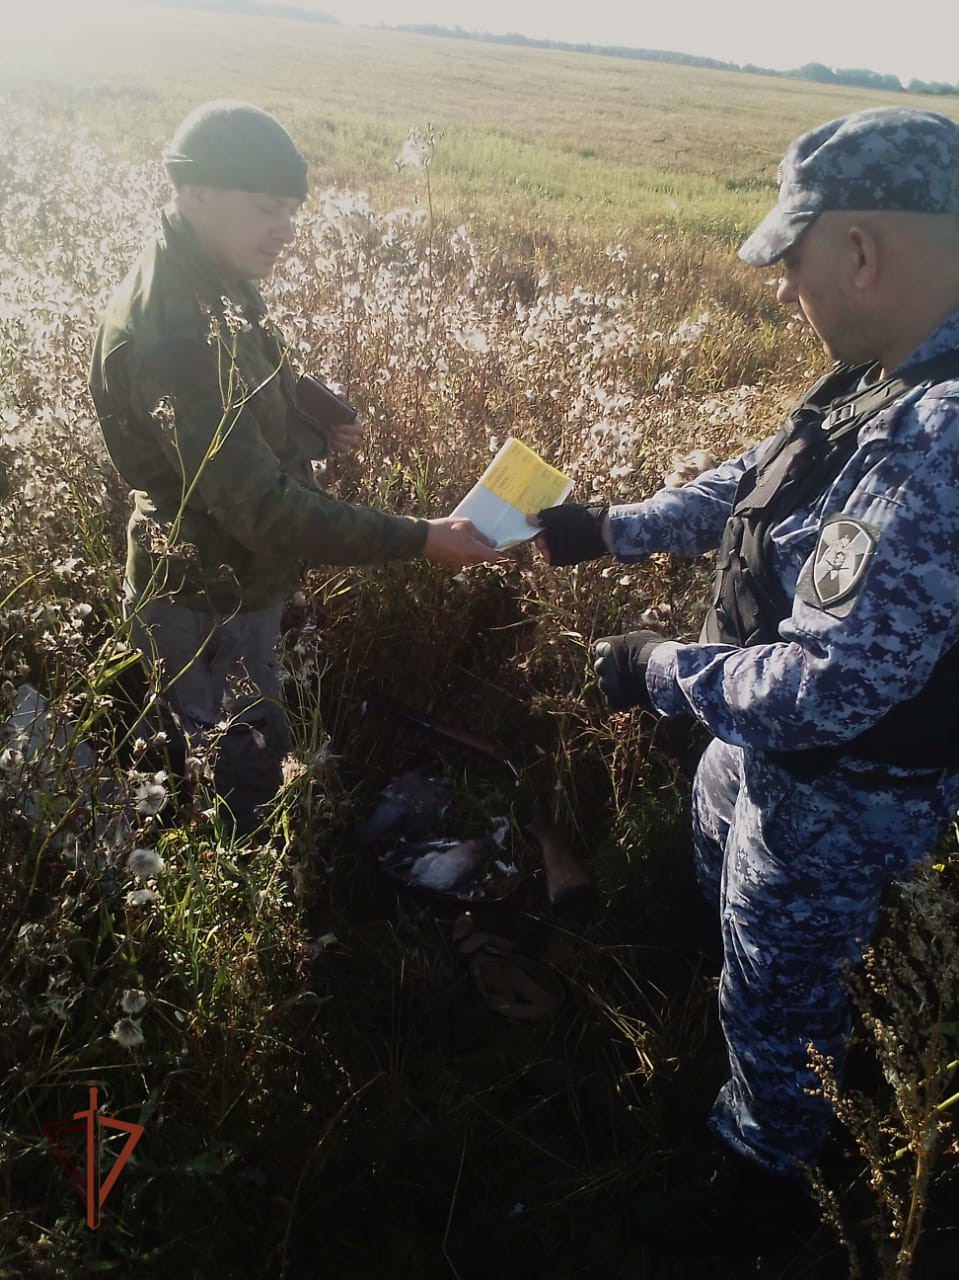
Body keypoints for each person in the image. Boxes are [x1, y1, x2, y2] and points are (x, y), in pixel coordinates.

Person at [531, 106, 959, 1253]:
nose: (780, 292)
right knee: (729, 884)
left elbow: (826, 684)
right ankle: (724, 992)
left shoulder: (941, 434)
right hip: (767, 760)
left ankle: (758, 1185)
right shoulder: (888, 374)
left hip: (844, 791)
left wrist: (654, 666)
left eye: (793, 261)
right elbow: (771, 475)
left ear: (859, 251)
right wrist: (609, 528)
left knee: (782, 997)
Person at [89, 100, 498, 833]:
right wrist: (419, 538)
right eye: (267, 210)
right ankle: (239, 897)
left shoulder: (210, 265)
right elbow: (264, 509)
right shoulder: (174, 335)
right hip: (205, 595)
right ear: (195, 194)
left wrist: (313, 404)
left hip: (243, 581)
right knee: (232, 766)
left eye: (291, 211)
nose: (286, 230)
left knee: (238, 738)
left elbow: (257, 355)